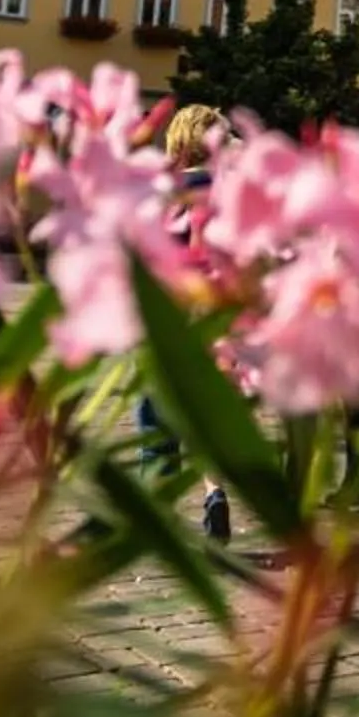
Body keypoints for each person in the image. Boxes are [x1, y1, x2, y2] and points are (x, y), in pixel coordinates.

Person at [137, 104, 229, 541]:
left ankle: (159, 516)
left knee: (158, 421)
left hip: (167, 316)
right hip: (216, 318)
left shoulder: (161, 192)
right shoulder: (229, 194)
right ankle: (215, 494)